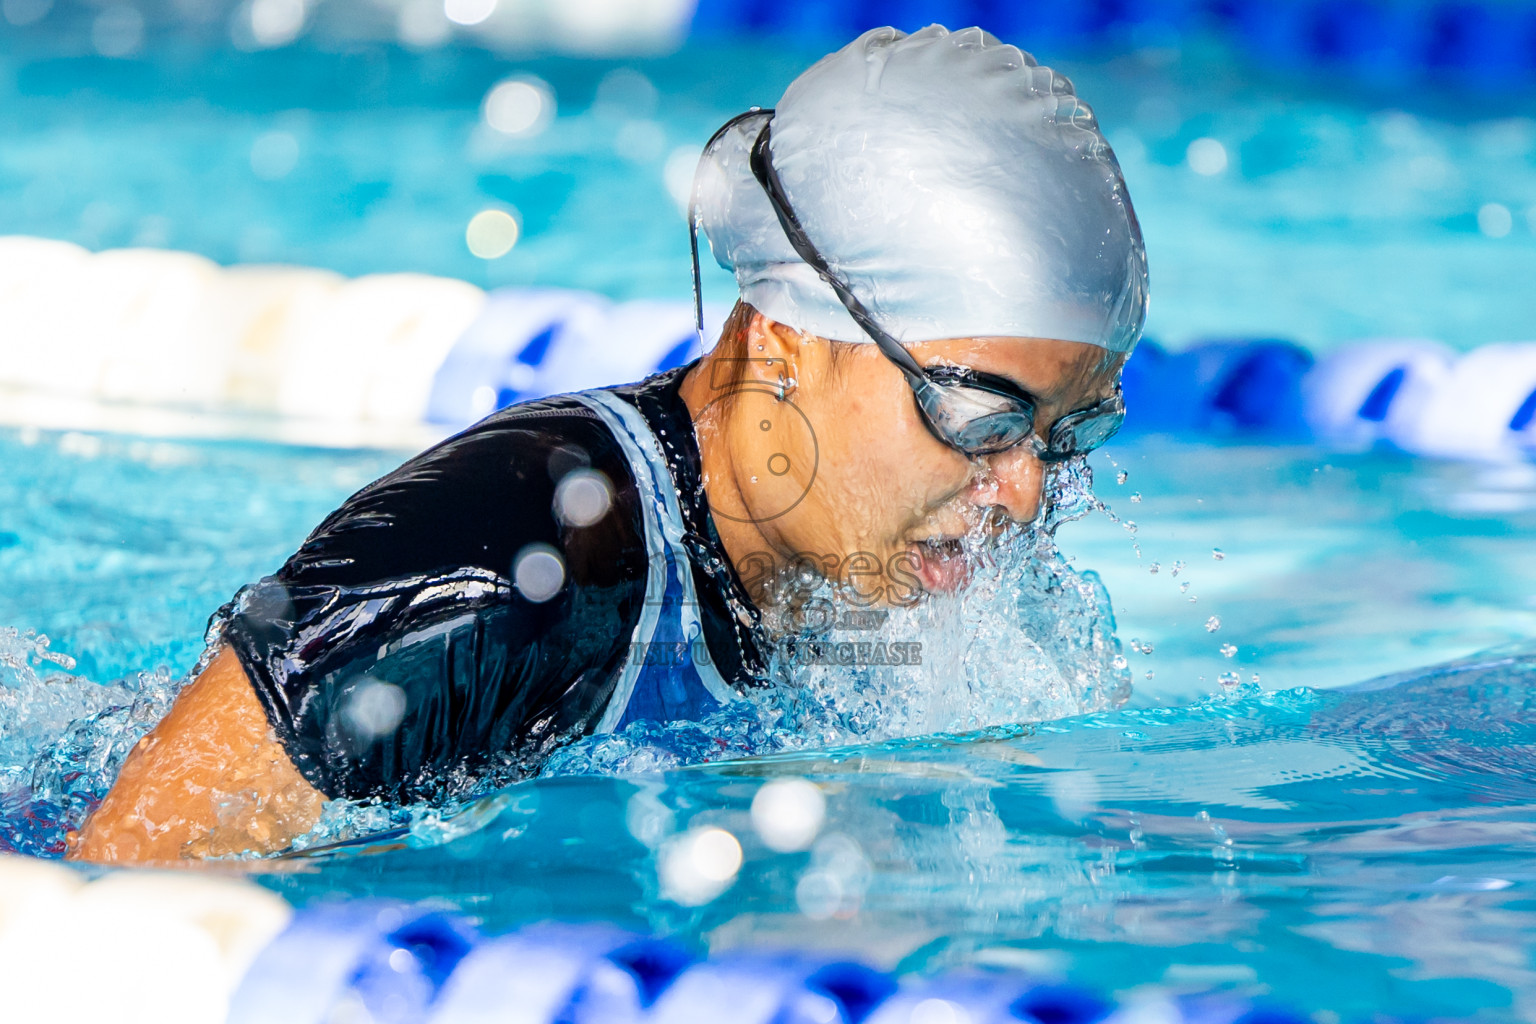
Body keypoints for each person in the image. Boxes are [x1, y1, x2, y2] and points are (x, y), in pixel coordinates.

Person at [69, 24, 1147, 862]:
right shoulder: (505, 576)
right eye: (980, 418)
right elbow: (130, 888)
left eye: (1068, 433)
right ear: (783, 345)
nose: (1020, 491)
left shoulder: (903, 573)